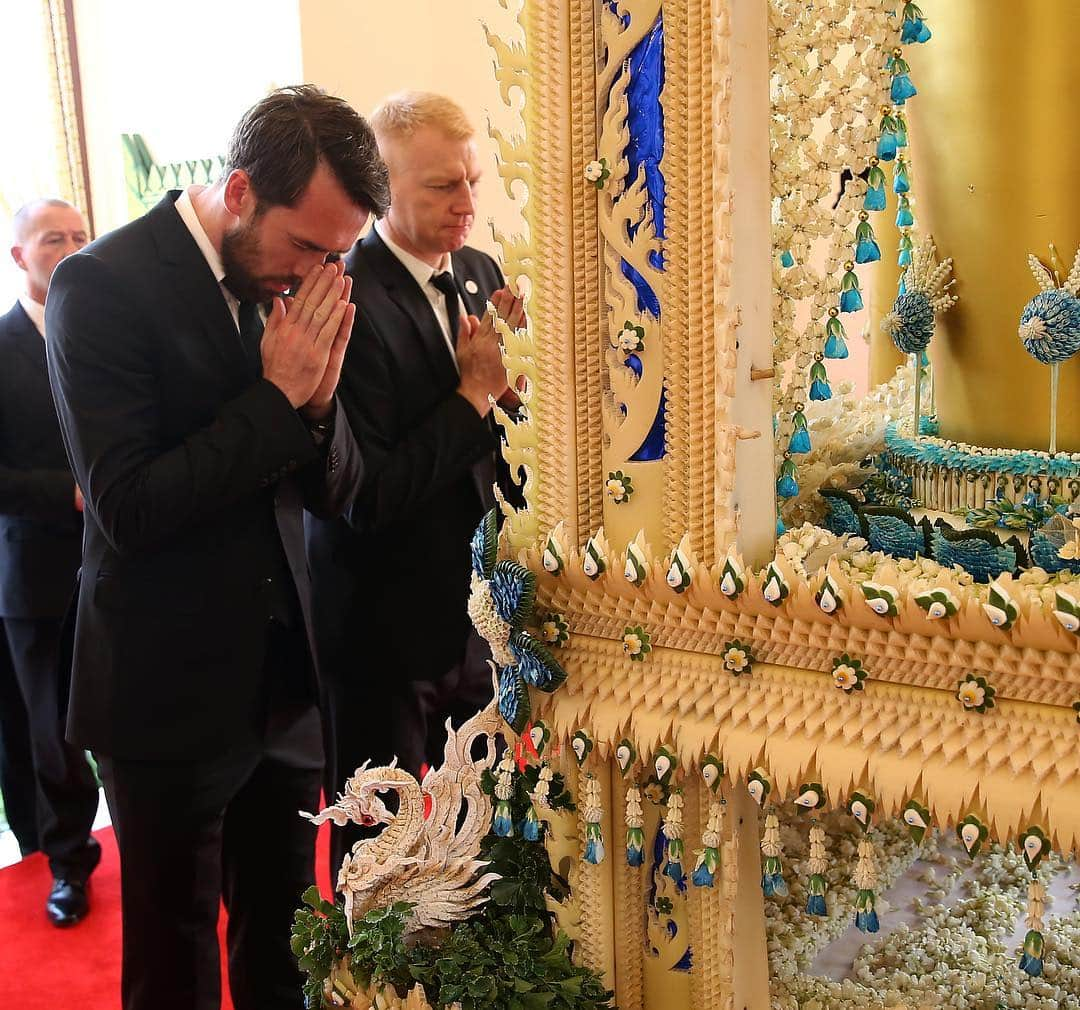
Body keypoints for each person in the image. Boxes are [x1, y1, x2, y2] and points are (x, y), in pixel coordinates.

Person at [46, 86, 387, 1010]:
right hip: (163, 696)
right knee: (175, 960)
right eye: (309, 248)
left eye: (341, 252)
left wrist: (317, 409)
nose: (321, 274)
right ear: (240, 190)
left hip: (282, 688)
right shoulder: (103, 285)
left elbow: (337, 490)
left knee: (286, 943)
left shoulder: (296, 288)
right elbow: (127, 509)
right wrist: (277, 400)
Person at [305, 91, 524, 874]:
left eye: (472, 179)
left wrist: (518, 388)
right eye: (442, 186)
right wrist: (470, 395)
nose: (468, 203)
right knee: (381, 847)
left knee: (475, 829)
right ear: (383, 189)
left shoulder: (478, 272)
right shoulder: (344, 299)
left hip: (473, 612)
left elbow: (497, 440)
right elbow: (371, 495)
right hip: (381, 625)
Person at [1, 198, 101, 923]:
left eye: (79, 235)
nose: (68, 248)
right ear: (18, 256)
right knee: (52, 734)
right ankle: (70, 863)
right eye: (51, 239)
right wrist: (66, 493)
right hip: (34, 573)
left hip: (118, 562)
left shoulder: (107, 332)